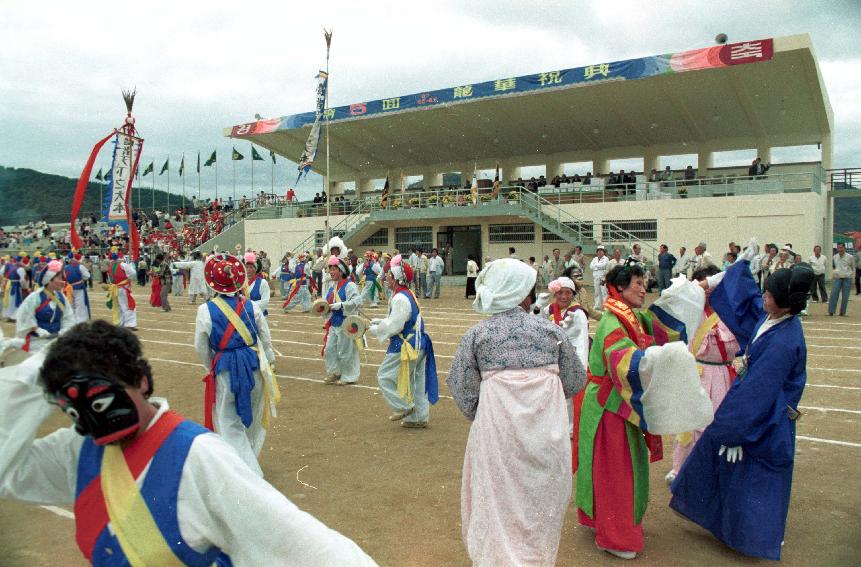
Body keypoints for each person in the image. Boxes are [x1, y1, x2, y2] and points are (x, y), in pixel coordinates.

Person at [0, 321, 377, 566]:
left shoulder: (199, 456)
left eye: (99, 399)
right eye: (74, 409)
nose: (92, 417)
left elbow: (308, 548)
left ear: (141, 380)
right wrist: (40, 371)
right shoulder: (79, 451)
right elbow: (6, 471)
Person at [670, 244, 814, 561]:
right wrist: (741, 265)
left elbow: (759, 392)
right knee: (739, 473)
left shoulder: (784, 340)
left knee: (755, 477)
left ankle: (752, 540)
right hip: (757, 410)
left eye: (769, 295)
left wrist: (733, 430)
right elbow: (745, 298)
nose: (762, 298)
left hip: (767, 418)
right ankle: (730, 530)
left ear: (784, 302)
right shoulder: (773, 318)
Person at [447, 259, 587, 567]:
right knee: (539, 500)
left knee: (497, 500)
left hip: (497, 435)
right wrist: (542, 399)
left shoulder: (477, 336)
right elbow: (576, 379)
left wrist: (489, 411)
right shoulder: (552, 333)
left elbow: (461, 387)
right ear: (521, 294)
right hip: (546, 435)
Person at [575, 262, 711, 560]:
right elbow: (626, 365)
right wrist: (665, 357)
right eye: (637, 283)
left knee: (616, 469)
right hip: (610, 407)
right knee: (617, 473)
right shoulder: (613, 323)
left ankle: (607, 524)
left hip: (615, 403)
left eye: (643, 282)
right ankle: (614, 535)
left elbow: (660, 324)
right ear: (620, 288)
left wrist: (694, 290)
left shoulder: (630, 317)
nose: (642, 288)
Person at [194, 254, 277, 476]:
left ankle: (247, 470)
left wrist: (210, 366)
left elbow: (201, 346)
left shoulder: (205, 310)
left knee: (227, 419)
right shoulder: (251, 306)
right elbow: (266, 338)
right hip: (253, 365)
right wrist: (268, 358)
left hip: (226, 367)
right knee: (252, 415)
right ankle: (248, 458)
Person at [666, 265, 739, 483]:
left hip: (721, 372)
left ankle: (709, 470)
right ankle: (680, 468)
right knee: (687, 422)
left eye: (712, 287)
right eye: (704, 286)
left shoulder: (726, 311)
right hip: (695, 370)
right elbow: (672, 296)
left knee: (715, 421)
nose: (708, 292)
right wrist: (699, 288)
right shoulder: (689, 309)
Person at [370, 255, 438, 429]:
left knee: (384, 376)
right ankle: (419, 417)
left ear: (397, 277)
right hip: (419, 343)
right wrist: (379, 321)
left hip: (406, 345)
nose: (386, 277)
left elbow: (395, 326)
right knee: (416, 381)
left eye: (389, 275)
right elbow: (398, 320)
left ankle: (404, 407)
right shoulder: (407, 294)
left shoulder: (399, 298)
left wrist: (375, 329)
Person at [537, 276, 589, 438]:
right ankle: (557, 423)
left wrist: (580, 363)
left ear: (573, 295)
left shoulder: (577, 313)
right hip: (554, 357)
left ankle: (571, 427)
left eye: (567, 293)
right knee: (554, 391)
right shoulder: (552, 309)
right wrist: (539, 305)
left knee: (569, 393)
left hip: (571, 357)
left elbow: (582, 339)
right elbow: (536, 322)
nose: (563, 297)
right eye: (560, 293)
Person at [16, 260, 76, 353]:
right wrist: (37, 329)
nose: (63, 282)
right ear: (50, 279)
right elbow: (24, 316)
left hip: (56, 342)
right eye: (60, 278)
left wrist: (64, 331)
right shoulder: (35, 297)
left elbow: (68, 317)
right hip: (36, 343)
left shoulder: (61, 297)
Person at [322, 255, 362, 386]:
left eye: (334, 269)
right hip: (334, 323)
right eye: (330, 269)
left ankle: (349, 375)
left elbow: (357, 301)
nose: (331, 272)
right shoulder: (332, 286)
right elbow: (327, 303)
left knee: (346, 351)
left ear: (341, 271)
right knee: (330, 349)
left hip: (346, 323)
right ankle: (335, 372)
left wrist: (342, 305)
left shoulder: (349, 285)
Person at [105, 252, 138, 330]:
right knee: (128, 305)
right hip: (123, 287)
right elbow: (133, 273)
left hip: (115, 288)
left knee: (119, 306)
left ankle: (120, 323)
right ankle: (130, 324)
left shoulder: (110, 266)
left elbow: (109, 279)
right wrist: (130, 269)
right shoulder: (123, 265)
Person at [829, 242, 855, 316]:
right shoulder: (835, 256)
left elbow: (853, 268)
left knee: (845, 296)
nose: (840, 249)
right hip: (837, 278)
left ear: (844, 248)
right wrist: (832, 275)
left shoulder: (850, 257)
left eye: (841, 247)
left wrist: (853, 278)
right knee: (833, 294)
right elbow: (834, 267)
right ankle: (831, 311)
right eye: (838, 248)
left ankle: (842, 312)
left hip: (847, 278)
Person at [63, 252, 91, 322]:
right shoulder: (80, 266)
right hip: (79, 287)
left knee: (71, 304)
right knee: (80, 304)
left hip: (69, 288)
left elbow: (64, 277)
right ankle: (80, 321)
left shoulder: (66, 267)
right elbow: (87, 276)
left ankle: (72, 321)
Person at [243, 252, 271, 316]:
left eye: (251, 267)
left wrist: (248, 305)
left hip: (259, 316)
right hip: (244, 316)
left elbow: (265, 301)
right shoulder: (241, 283)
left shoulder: (262, 282)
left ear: (255, 269)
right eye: (246, 267)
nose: (248, 270)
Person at [2, 256, 26, 321]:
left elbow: (5, 276)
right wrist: (23, 287)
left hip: (10, 286)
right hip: (16, 286)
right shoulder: (21, 269)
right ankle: (15, 316)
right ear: (20, 261)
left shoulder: (11, 267)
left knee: (10, 301)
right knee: (16, 301)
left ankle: (9, 315)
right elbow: (22, 281)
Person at [590, 245, 609, 310]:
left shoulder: (606, 259)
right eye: (598, 251)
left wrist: (595, 266)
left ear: (603, 252)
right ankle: (597, 305)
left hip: (602, 278)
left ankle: (605, 306)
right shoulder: (594, 259)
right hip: (595, 278)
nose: (599, 252)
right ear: (597, 252)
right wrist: (597, 267)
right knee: (596, 292)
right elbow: (591, 266)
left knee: (604, 292)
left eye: (601, 251)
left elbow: (603, 265)